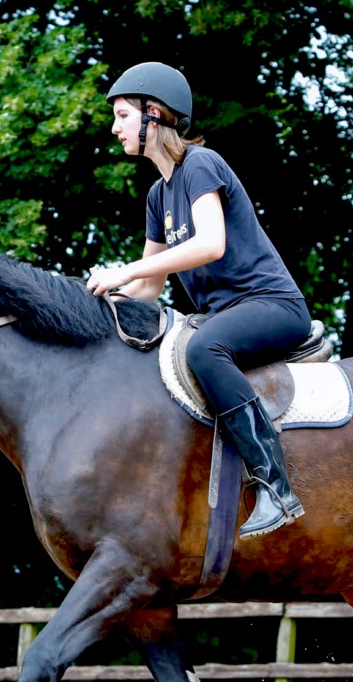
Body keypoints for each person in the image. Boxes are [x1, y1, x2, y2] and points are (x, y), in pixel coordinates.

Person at [86, 62, 311, 538]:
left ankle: (275, 487)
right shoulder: (157, 196)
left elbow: (211, 243)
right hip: (223, 314)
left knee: (203, 348)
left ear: (153, 113)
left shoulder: (201, 165)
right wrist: (98, 294)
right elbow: (149, 288)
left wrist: (125, 270)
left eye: (122, 115)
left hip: (271, 304)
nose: (114, 127)